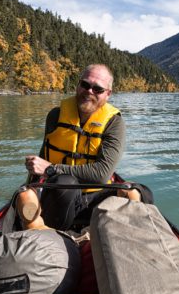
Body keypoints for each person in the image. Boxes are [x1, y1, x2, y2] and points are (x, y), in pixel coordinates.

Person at [23, 64, 139, 230]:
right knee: (65, 182)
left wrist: (51, 169)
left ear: (108, 94)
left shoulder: (114, 123)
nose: (89, 91)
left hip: (96, 199)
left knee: (139, 191)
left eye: (97, 89)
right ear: (78, 86)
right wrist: (30, 189)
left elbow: (101, 174)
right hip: (59, 197)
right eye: (85, 85)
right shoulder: (55, 116)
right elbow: (43, 160)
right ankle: (54, 234)